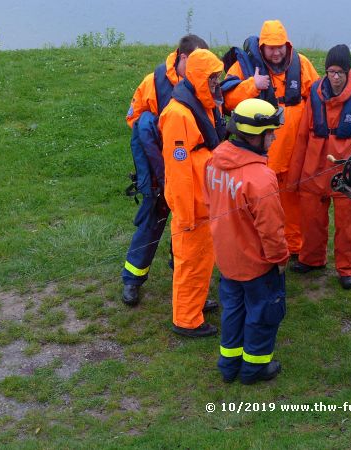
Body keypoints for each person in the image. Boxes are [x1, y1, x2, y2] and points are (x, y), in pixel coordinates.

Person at [204, 98, 289, 384]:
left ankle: (229, 366)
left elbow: (209, 203)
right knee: (262, 317)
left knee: (232, 313)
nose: (274, 137)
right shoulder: (261, 178)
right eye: (270, 132)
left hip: (227, 260)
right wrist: (279, 260)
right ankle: (254, 369)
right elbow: (272, 229)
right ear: (255, 136)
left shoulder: (214, 161)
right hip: (257, 264)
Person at [121, 34, 209, 307]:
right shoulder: (152, 83)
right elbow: (135, 119)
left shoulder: (201, 82)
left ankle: (188, 287)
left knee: (186, 229)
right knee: (152, 222)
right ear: (182, 58)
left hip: (189, 169)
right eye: (194, 61)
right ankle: (132, 280)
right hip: (160, 167)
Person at [222, 20, 319, 256]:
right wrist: (253, 86)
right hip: (259, 154)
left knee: (292, 200)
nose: (276, 52)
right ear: (262, 46)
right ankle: (257, 245)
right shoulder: (244, 67)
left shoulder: (302, 64)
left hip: (293, 151)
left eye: (280, 47)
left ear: (287, 45)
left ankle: (293, 247)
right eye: (271, 47)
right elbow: (227, 101)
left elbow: (317, 96)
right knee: (260, 203)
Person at [286, 44, 351, 290]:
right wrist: (294, 178)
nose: (335, 77)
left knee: (348, 224)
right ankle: (311, 259)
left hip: (347, 175)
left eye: (340, 72)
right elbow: (303, 137)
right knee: (310, 220)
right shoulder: (314, 93)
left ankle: (347, 269)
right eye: (331, 71)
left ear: (348, 72)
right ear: (326, 72)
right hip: (313, 171)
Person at [159, 49, 227, 337]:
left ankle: (196, 304)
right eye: (212, 78)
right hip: (192, 206)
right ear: (200, 78)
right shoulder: (177, 115)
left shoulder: (204, 104)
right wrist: (185, 213)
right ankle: (186, 320)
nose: (216, 83)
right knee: (190, 262)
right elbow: (177, 169)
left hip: (205, 199)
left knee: (202, 259)